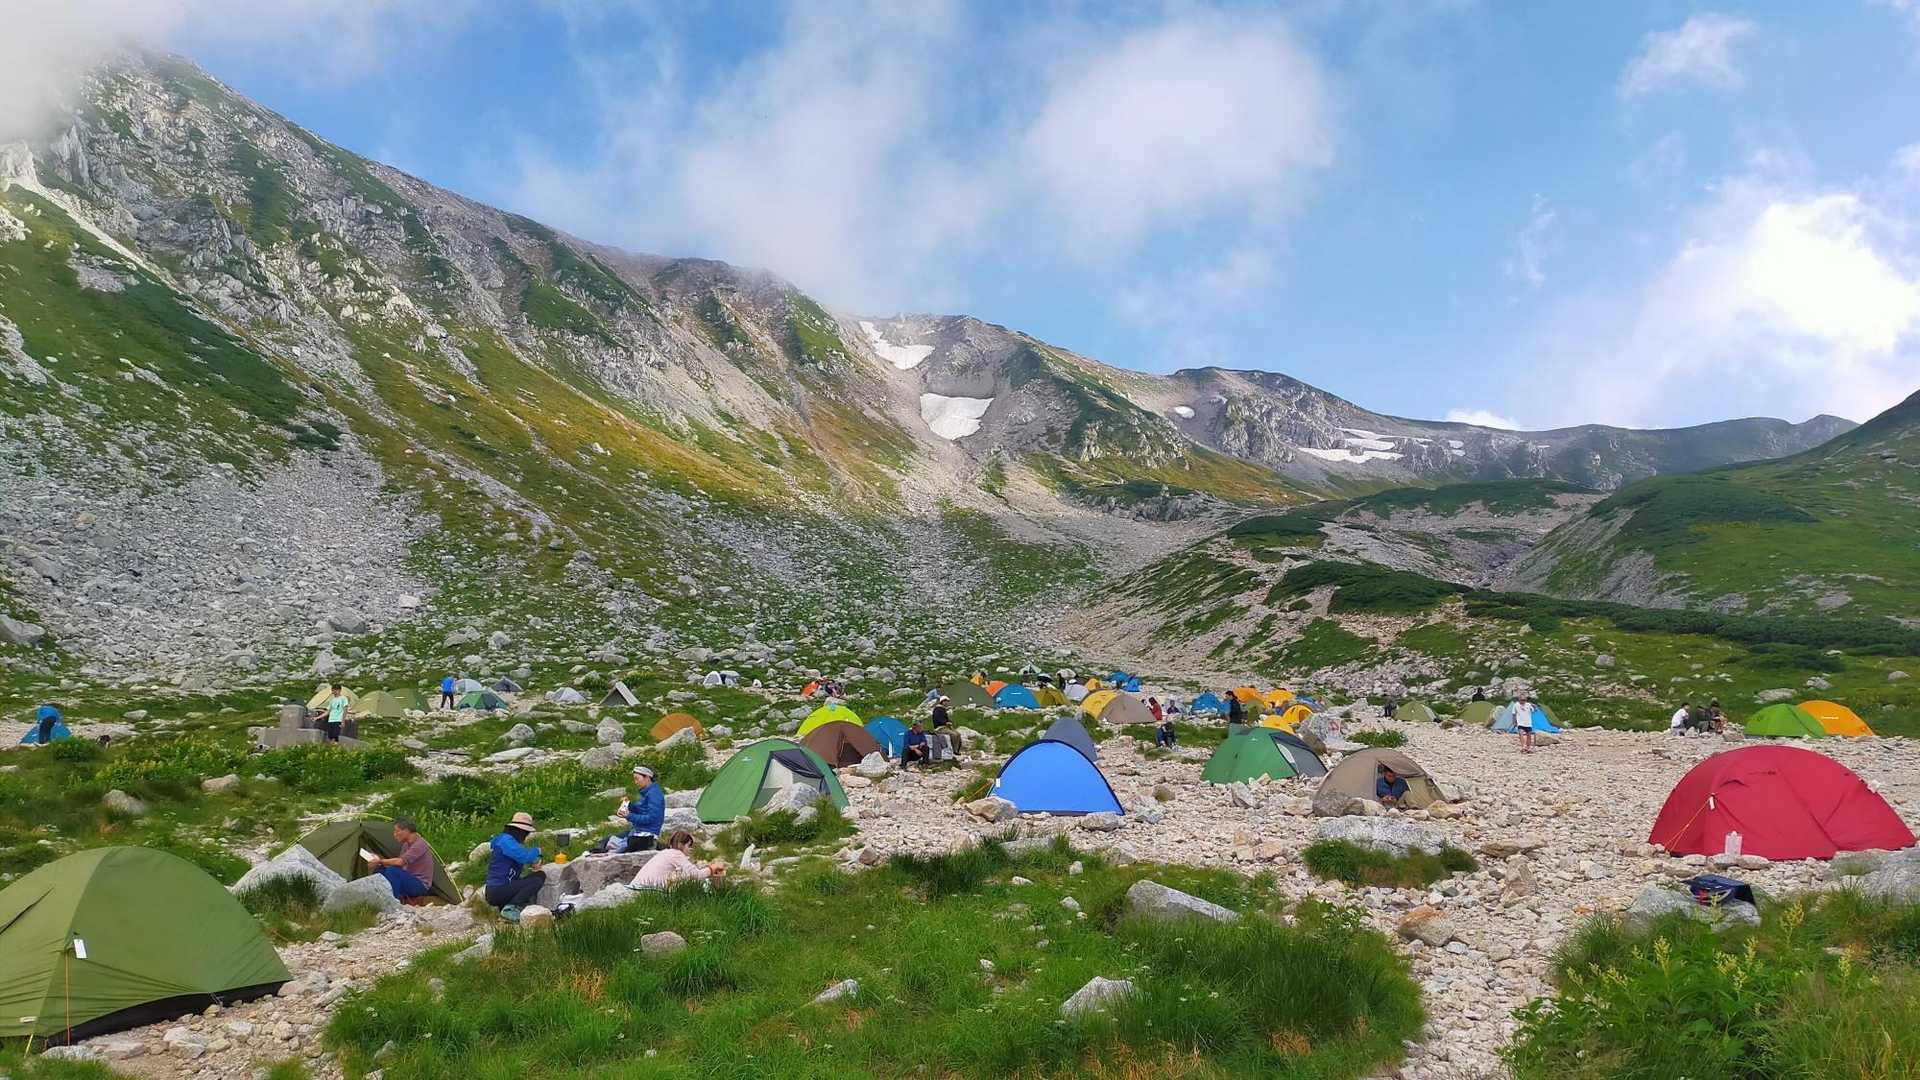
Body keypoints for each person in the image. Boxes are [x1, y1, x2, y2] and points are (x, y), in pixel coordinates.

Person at [485, 812, 544, 917]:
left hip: (502, 888)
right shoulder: (506, 841)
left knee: (540, 875)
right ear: (520, 831)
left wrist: (534, 860)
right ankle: (511, 908)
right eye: (526, 832)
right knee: (536, 881)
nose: (526, 835)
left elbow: (519, 856)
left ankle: (517, 905)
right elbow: (525, 857)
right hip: (498, 890)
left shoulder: (505, 840)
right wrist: (537, 851)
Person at [631, 830, 726, 890]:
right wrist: (712, 868)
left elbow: (684, 875)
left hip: (636, 886)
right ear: (681, 844)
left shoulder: (665, 852)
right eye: (688, 845)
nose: (689, 849)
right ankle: (718, 891)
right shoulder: (676, 854)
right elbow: (696, 875)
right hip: (645, 889)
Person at [368, 818, 435, 904]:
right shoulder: (406, 845)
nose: (394, 834)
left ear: (406, 831)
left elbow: (400, 862)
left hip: (420, 885)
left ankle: (394, 903)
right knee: (380, 869)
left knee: (392, 870)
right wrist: (378, 863)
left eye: (397, 831)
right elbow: (400, 865)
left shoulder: (420, 844)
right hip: (408, 879)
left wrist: (380, 861)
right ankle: (376, 900)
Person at [614, 765, 664, 853]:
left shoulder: (654, 794)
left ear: (647, 777)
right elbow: (641, 811)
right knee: (609, 841)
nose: (635, 782)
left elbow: (651, 818)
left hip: (647, 835)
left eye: (637, 779)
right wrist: (628, 805)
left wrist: (629, 815)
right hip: (638, 831)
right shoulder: (647, 792)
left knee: (613, 847)